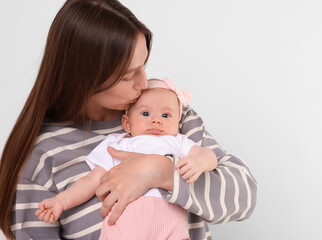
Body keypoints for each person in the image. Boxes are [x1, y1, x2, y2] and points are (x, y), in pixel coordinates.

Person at [0, 0, 257, 239]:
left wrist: (161, 172)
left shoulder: (164, 115)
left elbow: (244, 196)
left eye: (143, 65)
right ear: (83, 76)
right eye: (128, 75)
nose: (144, 83)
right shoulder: (41, 160)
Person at [35, 78, 218, 239]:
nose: (156, 120)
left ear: (178, 122)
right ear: (127, 124)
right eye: (145, 114)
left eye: (166, 115)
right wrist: (61, 201)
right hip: (126, 229)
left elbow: (209, 155)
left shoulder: (179, 142)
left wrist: (199, 162)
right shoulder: (119, 145)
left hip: (171, 229)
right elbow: (92, 180)